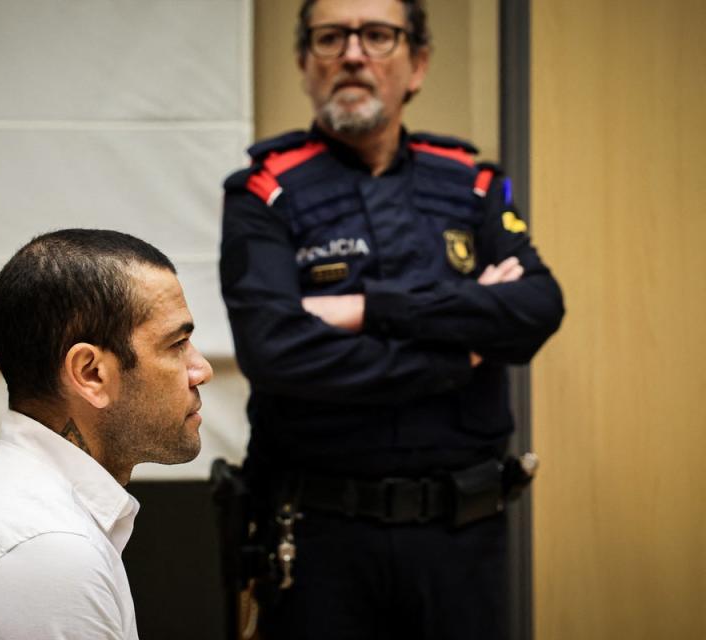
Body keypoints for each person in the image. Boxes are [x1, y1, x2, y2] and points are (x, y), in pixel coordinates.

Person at [219, 0, 564, 638]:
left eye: (377, 36)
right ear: (304, 62)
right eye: (330, 38)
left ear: (418, 64)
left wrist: (370, 309)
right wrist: (458, 352)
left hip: (463, 539)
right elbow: (275, 350)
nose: (353, 54)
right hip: (319, 541)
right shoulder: (263, 192)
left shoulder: (476, 184)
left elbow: (537, 308)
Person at [0, 229, 213, 640]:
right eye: (177, 344)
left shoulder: (27, 508)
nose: (201, 369)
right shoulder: (46, 555)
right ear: (91, 374)